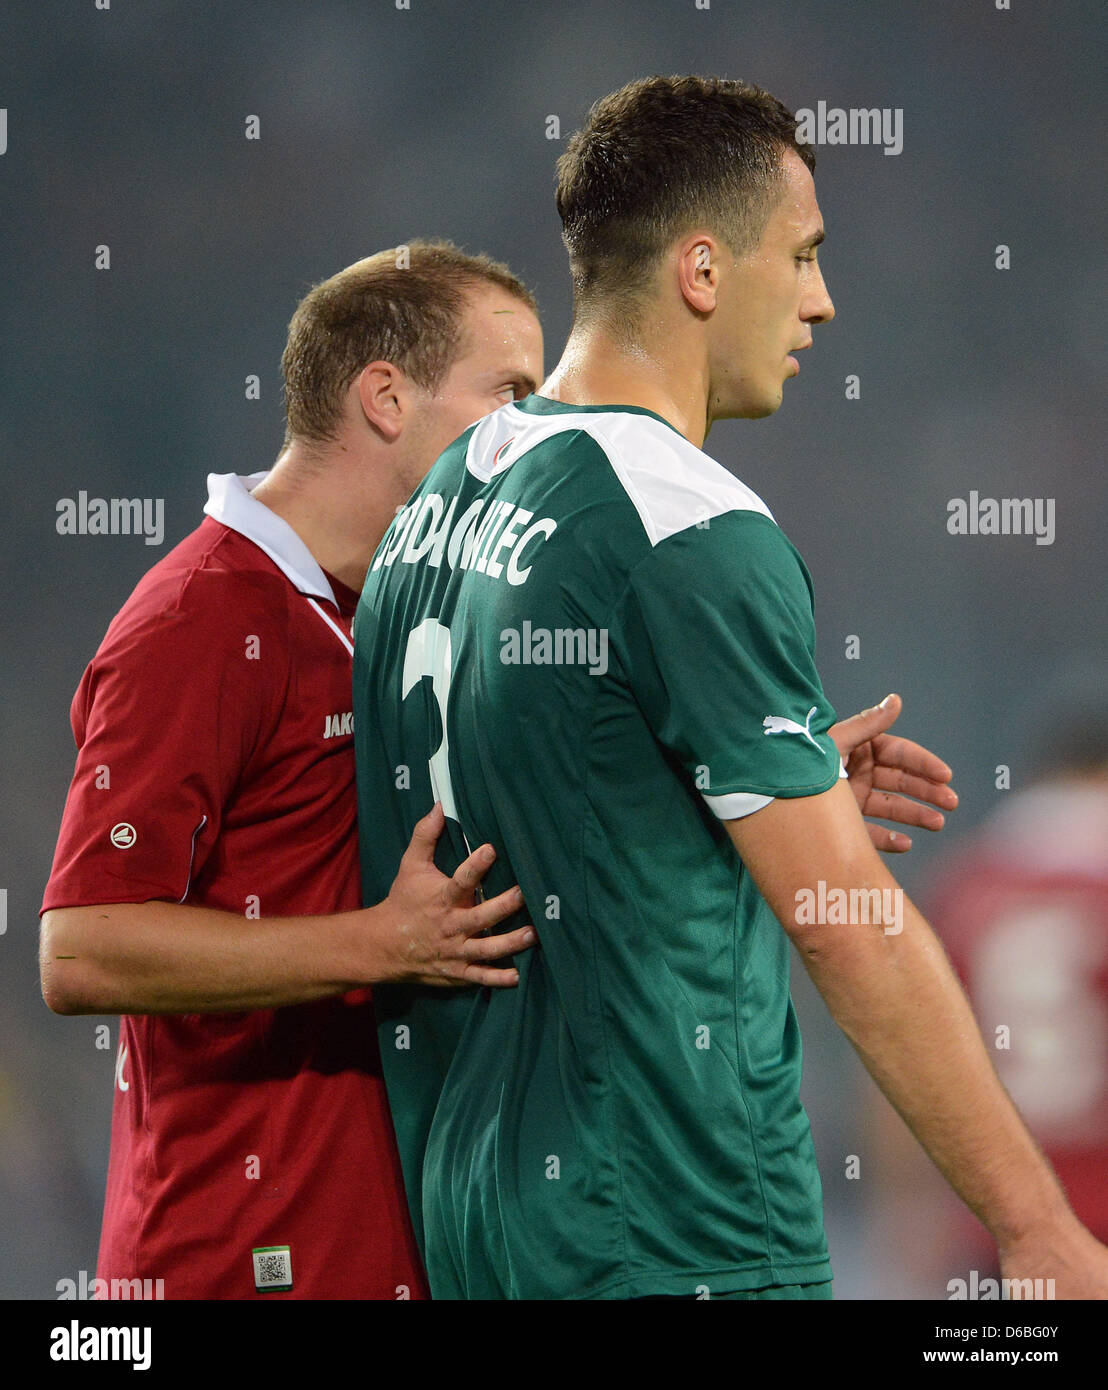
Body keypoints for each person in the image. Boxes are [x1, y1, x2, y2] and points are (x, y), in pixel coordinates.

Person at [352, 76, 1108, 1300]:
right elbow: (846, 929)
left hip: (481, 1224)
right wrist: (1037, 1230)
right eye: (801, 256)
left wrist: (735, 807)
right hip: (672, 1223)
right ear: (702, 269)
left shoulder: (441, 498)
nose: (821, 300)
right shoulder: (685, 524)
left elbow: (525, 805)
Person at [39, 240, 544, 1299]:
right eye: (509, 398)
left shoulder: (398, 615)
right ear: (386, 397)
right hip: (233, 1259)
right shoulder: (201, 617)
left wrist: (772, 801)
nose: (530, 439)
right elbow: (81, 950)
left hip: (387, 1249)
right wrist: (381, 943)